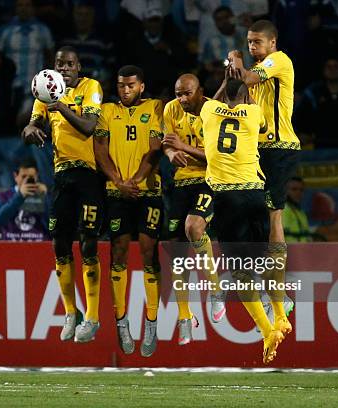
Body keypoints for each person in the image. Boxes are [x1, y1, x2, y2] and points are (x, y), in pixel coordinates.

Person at [22, 46, 104, 343]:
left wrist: (62, 107)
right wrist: (30, 129)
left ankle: (93, 316)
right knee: (58, 242)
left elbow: (88, 128)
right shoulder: (46, 91)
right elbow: (32, 125)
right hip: (62, 175)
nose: (65, 68)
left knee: (88, 242)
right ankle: (72, 312)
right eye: (60, 64)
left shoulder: (90, 87)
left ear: (78, 67)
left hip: (89, 176)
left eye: (70, 63)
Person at [201, 77, 284, 364]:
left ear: (223, 95)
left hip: (227, 198)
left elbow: (214, 99)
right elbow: (258, 121)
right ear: (247, 97)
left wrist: (223, 84)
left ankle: (267, 331)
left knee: (240, 273)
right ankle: (281, 311)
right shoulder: (253, 113)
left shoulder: (210, 110)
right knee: (263, 261)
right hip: (254, 194)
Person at [227, 20, 297, 337]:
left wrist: (236, 59)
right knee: (254, 216)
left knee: (273, 216)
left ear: (272, 42)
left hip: (280, 148)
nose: (253, 47)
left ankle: (279, 298)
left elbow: (248, 76)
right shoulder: (258, 69)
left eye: (257, 42)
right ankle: (269, 289)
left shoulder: (279, 61)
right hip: (258, 149)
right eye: (249, 42)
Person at [93, 65, 163, 357]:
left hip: (148, 191)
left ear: (141, 87)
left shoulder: (156, 107)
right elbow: (99, 149)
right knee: (118, 252)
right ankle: (122, 322)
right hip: (116, 192)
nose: (125, 90)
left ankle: (152, 322)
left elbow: (155, 149)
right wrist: (118, 182)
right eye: (121, 86)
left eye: (131, 86)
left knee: (149, 252)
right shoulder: (107, 111)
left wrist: (134, 180)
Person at [161, 73, 225, 346]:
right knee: (176, 251)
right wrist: (171, 154)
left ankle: (215, 290)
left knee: (193, 227)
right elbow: (167, 143)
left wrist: (183, 147)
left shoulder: (213, 112)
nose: (182, 99)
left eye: (187, 93)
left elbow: (216, 156)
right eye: (178, 93)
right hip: (181, 183)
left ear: (201, 92)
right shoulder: (171, 110)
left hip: (209, 180)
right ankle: (185, 316)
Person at [0, 158, 49, 241]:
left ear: (37, 176)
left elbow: (55, 224)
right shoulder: (4, 196)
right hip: (11, 246)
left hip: (38, 247)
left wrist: (46, 197)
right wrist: (20, 196)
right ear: (15, 176)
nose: (26, 180)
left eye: (31, 177)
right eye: (23, 176)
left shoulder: (44, 194)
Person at [282, 176, 311, 243]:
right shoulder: (283, 210)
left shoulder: (301, 212)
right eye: (294, 189)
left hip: (302, 250)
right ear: (285, 191)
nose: (298, 193)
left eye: (301, 190)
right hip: (290, 251)